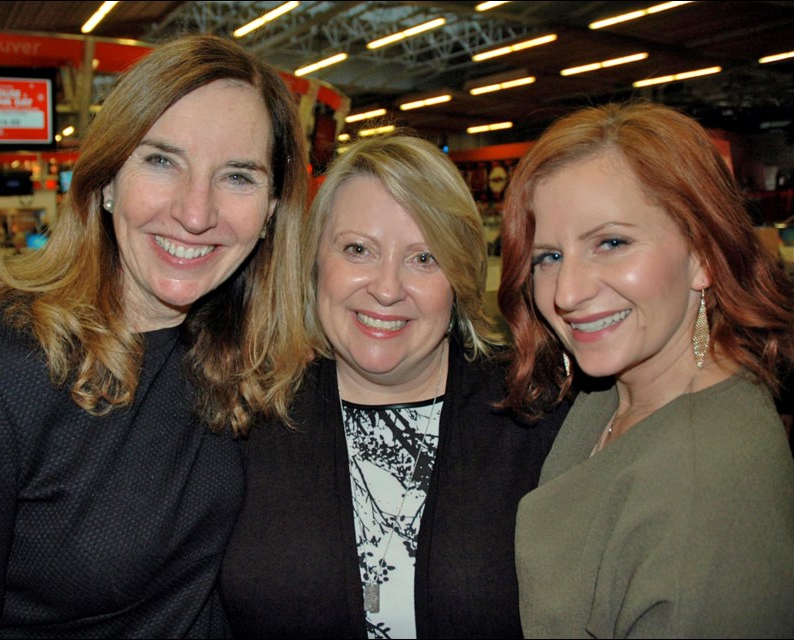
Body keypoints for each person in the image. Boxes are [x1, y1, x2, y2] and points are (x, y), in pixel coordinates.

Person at [0, 33, 307, 638]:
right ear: (107, 180)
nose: (196, 213)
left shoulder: (249, 357)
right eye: (162, 160)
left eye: (238, 176)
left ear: (271, 210)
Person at [220, 135, 569, 638]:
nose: (386, 289)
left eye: (424, 258)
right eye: (358, 249)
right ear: (315, 263)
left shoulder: (533, 410)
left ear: (460, 276)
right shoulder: (250, 413)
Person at [498, 102, 794, 638]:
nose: (567, 293)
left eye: (611, 243)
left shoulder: (710, 484)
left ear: (703, 254)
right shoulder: (614, 391)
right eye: (548, 256)